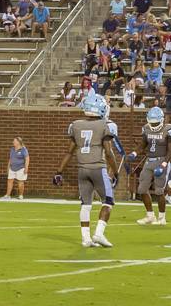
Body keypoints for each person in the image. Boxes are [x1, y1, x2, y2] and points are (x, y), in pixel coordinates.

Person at [54, 92, 117, 247]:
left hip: (82, 169)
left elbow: (69, 152)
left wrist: (59, 172)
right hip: (98, 167)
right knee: (108, 201)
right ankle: (99, 234)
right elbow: (108, 152)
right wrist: (115, 171)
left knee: (86, 204)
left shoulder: (76, 125)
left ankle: (86, 239)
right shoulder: (105, 125)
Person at [134, 106, 171, 226]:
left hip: (162, 160)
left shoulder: (169, 130)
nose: (154, 125)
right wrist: (134, 153)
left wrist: (164, 164)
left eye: (156, 122)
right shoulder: (146, 129)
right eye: (152, 122)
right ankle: (150, 215)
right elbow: (142, 144)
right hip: (149, 161)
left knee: (159, 191)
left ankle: (162, 217)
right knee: (142, 189)